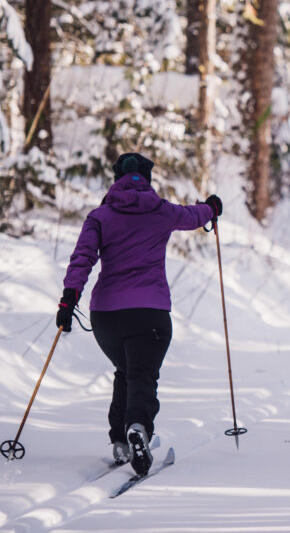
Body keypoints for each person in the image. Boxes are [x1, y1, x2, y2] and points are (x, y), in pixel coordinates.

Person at [56, 152, 223, 476]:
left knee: (126, 370)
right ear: (147, 177)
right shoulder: (160, 211)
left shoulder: (100, 216)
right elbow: (194, 215)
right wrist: (213, 208)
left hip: (106, 316)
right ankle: (137, 427)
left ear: (116, 177)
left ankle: (120, 439)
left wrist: (68, 300)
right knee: (142, 375)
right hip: (149, 313)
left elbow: (82, 258)